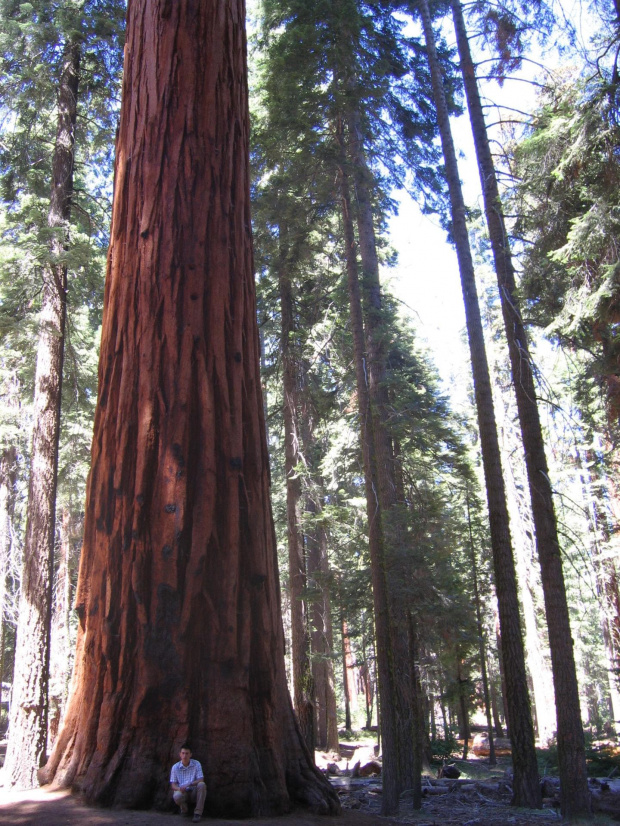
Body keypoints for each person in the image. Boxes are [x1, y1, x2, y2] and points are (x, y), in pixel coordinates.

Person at [170, 745, 207, 822]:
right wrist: (179, 788)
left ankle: (198, 813)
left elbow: (201, 779)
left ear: (190, 754)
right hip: (183, 792)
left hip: (194, 791)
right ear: (180, 754)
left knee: (202, 785)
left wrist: (189, 784)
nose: (185, 756)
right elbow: (173, 785)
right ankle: (184, 810)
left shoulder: (196, 764)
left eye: (187, 753)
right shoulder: (175, 767)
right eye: (183, 753)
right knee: (177, 795)